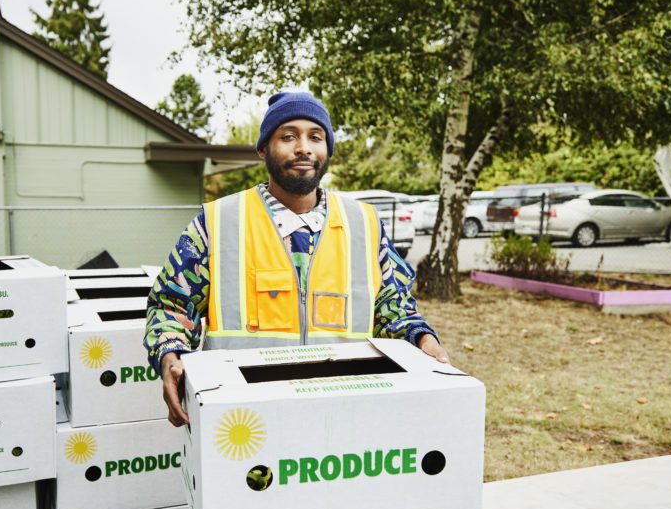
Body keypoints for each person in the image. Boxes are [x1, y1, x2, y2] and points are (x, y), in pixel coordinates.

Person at [144, 92, 448, 427]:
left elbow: (395, 307)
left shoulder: (365, 223)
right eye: (288, 136)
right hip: (244, 418)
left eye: (315, 137)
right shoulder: (216, 222)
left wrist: (422, 338)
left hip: (346, 410)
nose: (303, 147)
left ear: (327, 150)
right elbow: (171, 304)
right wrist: (169, 355)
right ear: (263, 149)